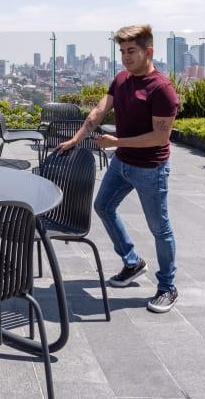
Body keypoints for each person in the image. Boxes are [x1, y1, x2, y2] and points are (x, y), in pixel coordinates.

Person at [56, 24, 180, 313]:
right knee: (103, 206)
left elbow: (160, 137)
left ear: (149, 51)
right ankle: (132, 262)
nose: (125, 57)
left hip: (151, 169)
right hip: (122, 163)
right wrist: (77, 138)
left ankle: (167, 287)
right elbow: (99, 111)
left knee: (159, 228)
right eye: (122, 51)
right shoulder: (121, 79)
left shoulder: (162, 89)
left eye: (131, 51)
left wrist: (116, 142)